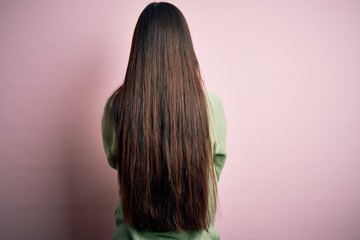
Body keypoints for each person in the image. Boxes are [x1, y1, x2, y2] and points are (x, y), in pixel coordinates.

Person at [101, 2, 227, 239]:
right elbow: (216, 163)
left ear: (139, 50)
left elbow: (117, 161)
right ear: (184, 48)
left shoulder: (116, 107)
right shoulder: (211, 106)